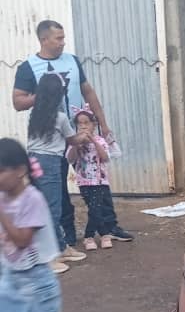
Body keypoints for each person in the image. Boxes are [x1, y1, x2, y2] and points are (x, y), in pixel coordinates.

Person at [0, 138, 113, 312]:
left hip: (36, 277)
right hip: (11, 277)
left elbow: (22, 240)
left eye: (1, 171)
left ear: (19, 170)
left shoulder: (32, 200)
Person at [13, 20, 112, 262]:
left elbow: (88, 91)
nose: (62, 42)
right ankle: (57, 244)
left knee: (93, 180)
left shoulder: (72, 60)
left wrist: (101, 123)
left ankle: (100, 229)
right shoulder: (28, 67)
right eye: (58, 38)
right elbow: (17, 102)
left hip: (71, 133)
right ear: (43, 39)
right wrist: (45, 95)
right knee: (54, 195)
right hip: (56, 139)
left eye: (63, 37)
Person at [26, 73, 88, 269]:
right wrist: (84, 135)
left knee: (47, 206)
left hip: (33, 160)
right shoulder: (60, 118)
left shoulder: (35, 114)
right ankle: (48, 256)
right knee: (52, 209)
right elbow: (72, 140)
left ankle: (61, 248)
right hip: (49, 163)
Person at [67, 108, 133, 250]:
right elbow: (70, 159)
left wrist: (92, 141)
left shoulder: (100, 141)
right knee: (93, 208)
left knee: (95, 208)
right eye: (80, 124)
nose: (83, 126)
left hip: (100, 181)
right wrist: (77, 145)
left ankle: (90, 236)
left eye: (86, 123)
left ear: (94, 125)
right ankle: (103, 234)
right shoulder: (75, 142)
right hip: (84, 182)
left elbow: (105, 157)